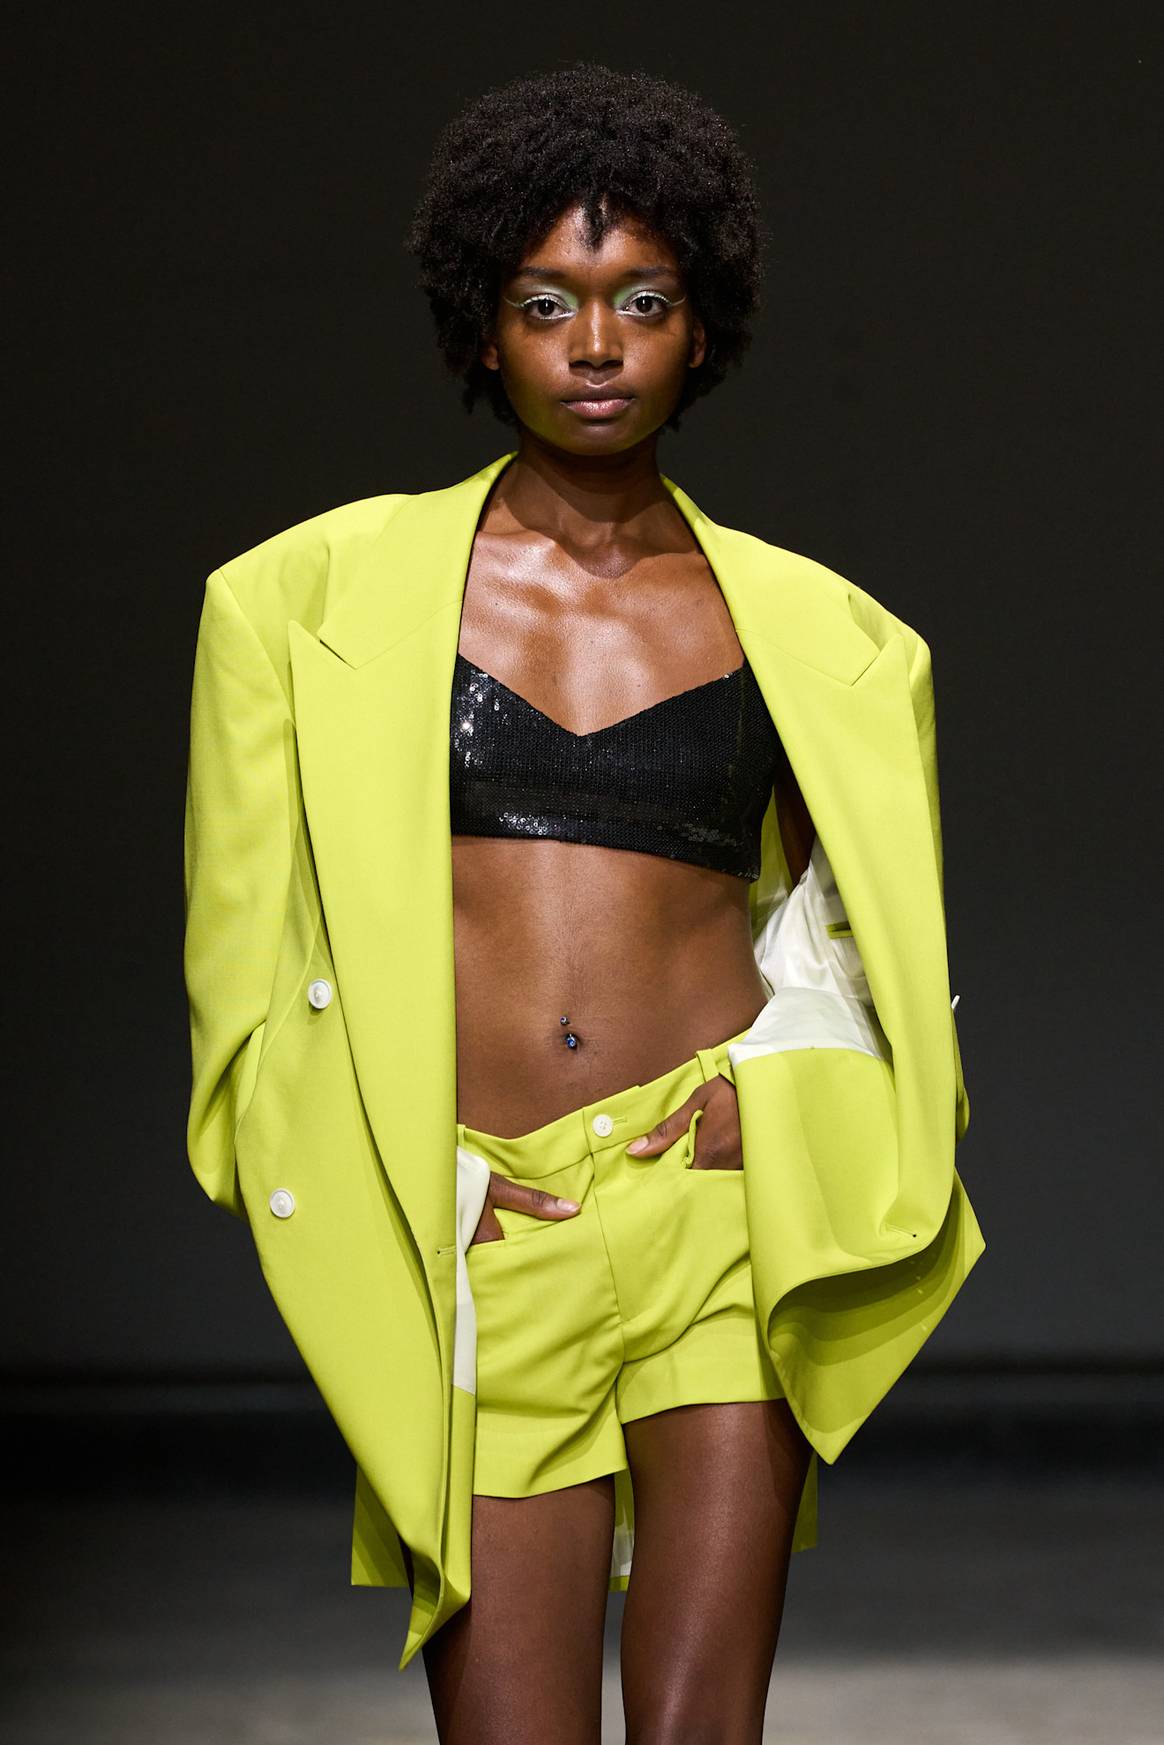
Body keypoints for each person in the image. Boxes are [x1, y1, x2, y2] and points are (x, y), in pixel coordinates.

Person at [183, 62, 984, 1745]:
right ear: (484, 328)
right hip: (485, 1226)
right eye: (548, 302)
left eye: (644, 301)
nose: (598, 344)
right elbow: (238, 980)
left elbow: (872, 949)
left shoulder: (829, 637)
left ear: (705, 326)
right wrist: (398, 1192)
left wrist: (784, 1110)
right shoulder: (298, 605)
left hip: (715, 1209)